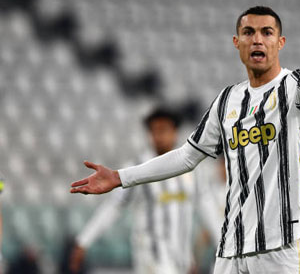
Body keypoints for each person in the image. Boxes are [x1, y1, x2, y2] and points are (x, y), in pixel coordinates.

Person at [71, 6, 300, 273]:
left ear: (281, 42)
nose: (257, 40)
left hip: (283, 246)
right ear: (237, 43)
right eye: (248, 32)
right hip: (231, 250)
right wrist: (120, 177)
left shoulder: (294, 90)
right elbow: (187, 156)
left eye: (267, 32)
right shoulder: (227, 101)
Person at [69, 107, 221, 274]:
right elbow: (113, 207)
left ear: (175, 132)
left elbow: (208, 209)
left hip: (182, 259)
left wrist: (222, 243)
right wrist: (84, 241)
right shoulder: (136, 169)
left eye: (164, 130)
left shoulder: (194, 172)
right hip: (151, 259)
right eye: (154, 131)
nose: (159, 136)